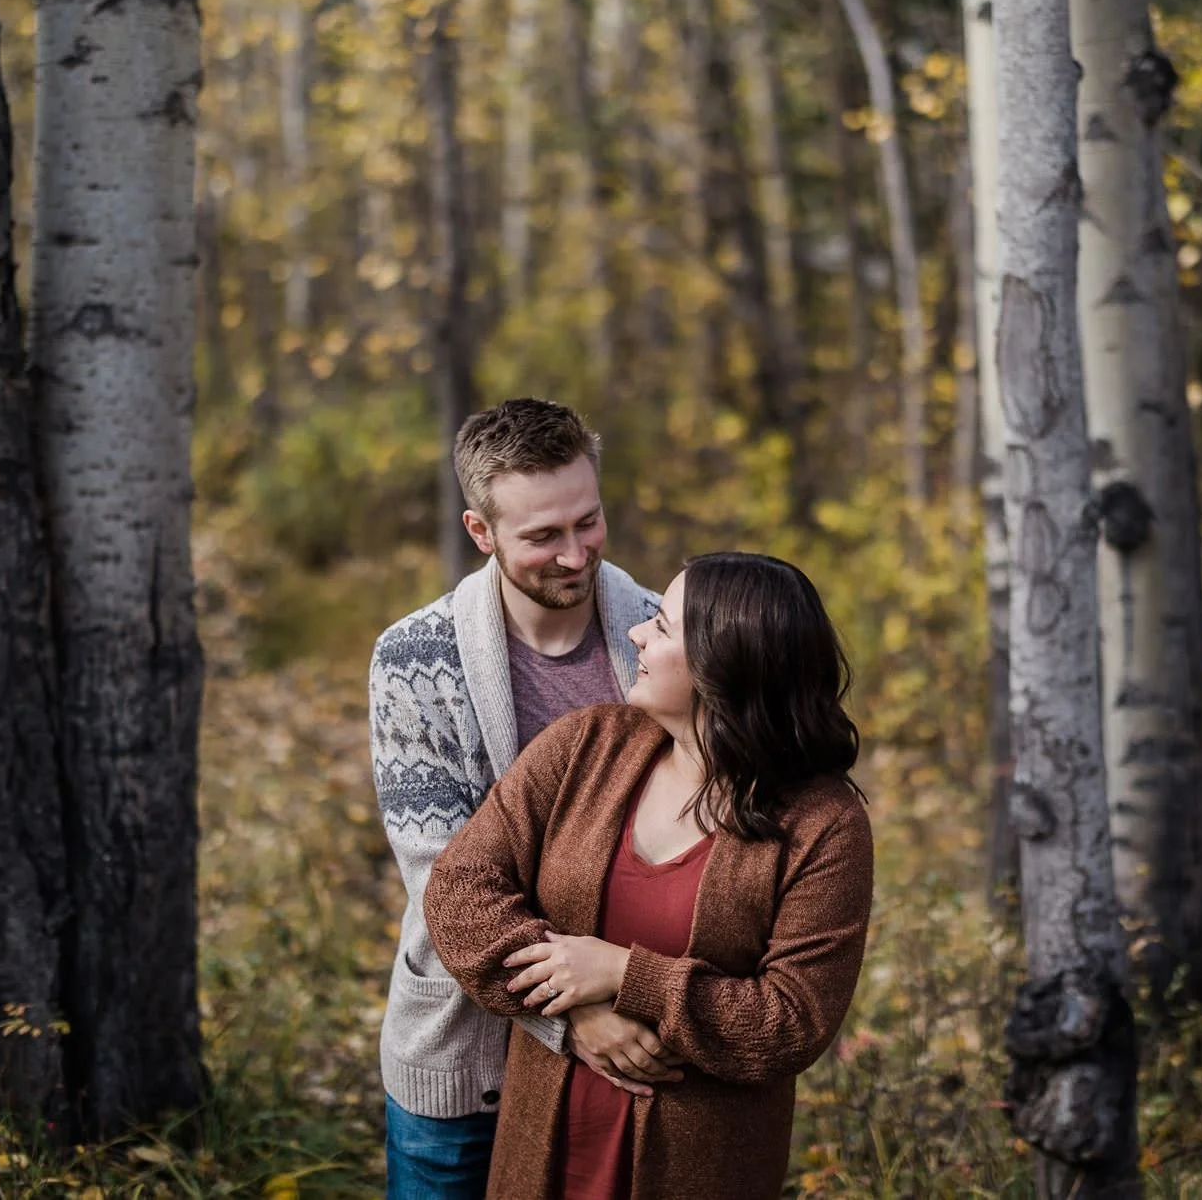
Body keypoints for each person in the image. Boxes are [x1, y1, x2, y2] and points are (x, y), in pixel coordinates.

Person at [423, 552, 874, 1199]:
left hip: (705, 1166)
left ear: (723, 667)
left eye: (661, 627)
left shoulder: (824, 824)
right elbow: (459, 889)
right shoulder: (587, 745)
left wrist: (623, 973)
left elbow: (789, 1021)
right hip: (543, 1157)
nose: (636, 633)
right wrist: (578, 1008)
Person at [370, 399, 666, 1200]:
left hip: (630, 1048)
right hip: (470, 1059)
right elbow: (446, 883)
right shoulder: (415, 659)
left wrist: (633, 996)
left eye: (588, 521)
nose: (575, 555)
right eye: (542, 535)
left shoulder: (658, 632)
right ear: (481, 531)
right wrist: (576, 1017)